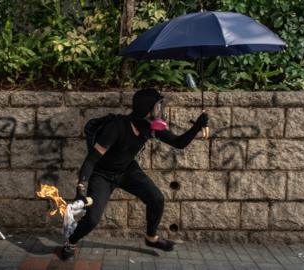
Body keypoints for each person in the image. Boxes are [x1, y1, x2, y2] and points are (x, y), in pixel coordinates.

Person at [61, 88, 209, 260]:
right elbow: (91, 160)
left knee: (156, 199)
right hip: (102, 175)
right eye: (156, 108)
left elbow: (179, 142)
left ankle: (151, 238)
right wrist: (81, 189)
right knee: (92, 219)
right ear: (145, 110)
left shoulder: (151, 127)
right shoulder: (116, 127)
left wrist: (197, 126)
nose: (159, 112)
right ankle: (71, 241)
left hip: (127, 170)